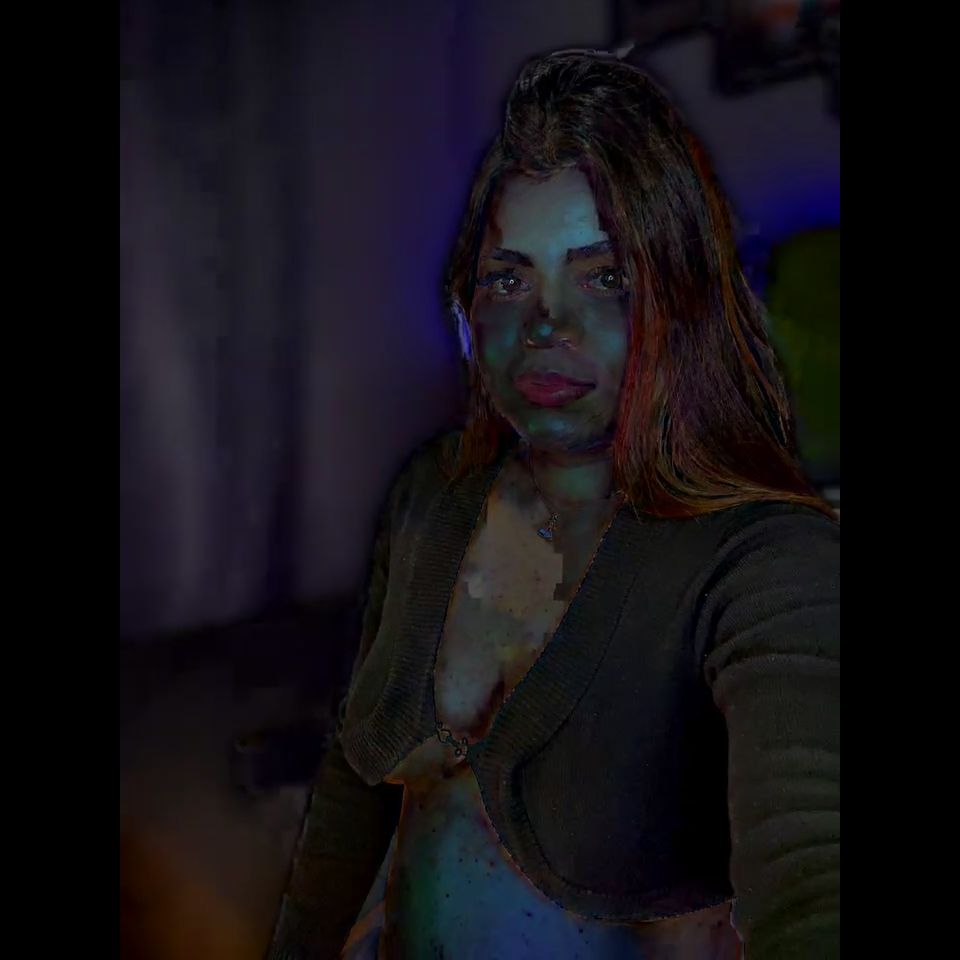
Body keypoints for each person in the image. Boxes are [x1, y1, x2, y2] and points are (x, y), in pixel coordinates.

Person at [268, 47, 840, 960]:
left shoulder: (766, 562)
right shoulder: (433, 493)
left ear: (679, 303)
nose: (547, 324)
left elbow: (815, 876)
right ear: (467, 310)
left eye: (604, 277)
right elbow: (354, 778)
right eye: (510, 278)